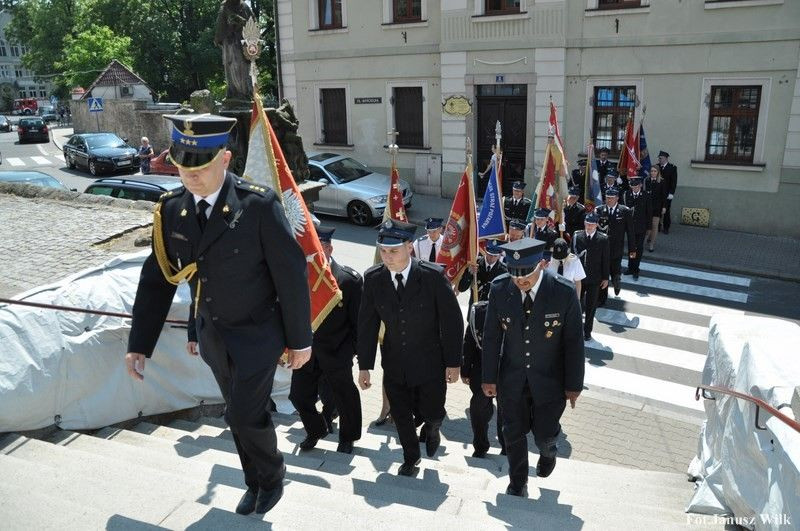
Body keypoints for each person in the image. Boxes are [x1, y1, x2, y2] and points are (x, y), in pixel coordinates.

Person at [125, 114, 312, 516]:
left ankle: (273, 473)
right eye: (182, 166)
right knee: (241, 416)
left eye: (201, 167)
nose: (190, 176)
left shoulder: (257, 205)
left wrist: (300, 340)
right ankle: (255, 481)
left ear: (225, 158)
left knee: (242, 413)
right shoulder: (171, 210)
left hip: (259, 334)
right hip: (214, 336)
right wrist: (139, 344)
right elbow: (157, 281)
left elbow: (292, 275)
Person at [357, 219, 464, 476]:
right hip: (394, 362)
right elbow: (367, 325)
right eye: (383, 250)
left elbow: (452, 322)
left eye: (393, 251)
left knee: (433, 411)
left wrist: (453, 362)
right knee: (401, 415)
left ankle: (433, 427)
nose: (387, 257)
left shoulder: (432, 277)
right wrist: (364, 367)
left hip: (430, 362)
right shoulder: (373, 279)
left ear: (409, 247)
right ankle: (410, 457)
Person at [482, 237, 585, 497]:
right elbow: (492, 336)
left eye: (526, 273)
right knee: (512, 433)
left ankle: (549, 449)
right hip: (512, 378)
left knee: (543, 435)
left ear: (541, 264)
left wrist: (574, 385)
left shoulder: (562, 292)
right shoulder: (499, 288)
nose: (520, 280)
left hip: (550, 380)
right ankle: (518, 483)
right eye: (514, 274)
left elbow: (574, 341)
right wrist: (488, 378)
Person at [289, 226, 363, 455]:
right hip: (307, 351)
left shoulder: (349, 280)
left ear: (328, 248)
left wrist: (351, 351)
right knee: (299, 396)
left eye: (314, 248)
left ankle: (348, 437)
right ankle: (315, 429)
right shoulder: (297, 278)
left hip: (336, 350)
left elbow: (358, 323)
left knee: (344, 396)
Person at [461, 300, 505, 458]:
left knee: (507, 411)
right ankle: (480, 446)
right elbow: (469, 341)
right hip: (482, 368)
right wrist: (465, 369)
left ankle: (507, 448)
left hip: (510, 369)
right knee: (478, 409)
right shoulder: (478, 311)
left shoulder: (522, 308)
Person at [572, 213, 610, 341]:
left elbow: (605, 260)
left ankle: (587, 331)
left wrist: (606, 278)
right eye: (587, 223)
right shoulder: (577, 236)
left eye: (592, 224)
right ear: (584, 223)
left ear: (596, 225)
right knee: (577, 305)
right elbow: (572, 257)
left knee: (591, 306)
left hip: (595, 278)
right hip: (579, 279)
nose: (589, 226)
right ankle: (576, 329)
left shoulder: (603, 239)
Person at [595, 188, 635, 305]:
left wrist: (632, 249)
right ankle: (602, 299)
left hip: (616, 248)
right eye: (607, 198)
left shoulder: (624, 211)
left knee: (615, 269)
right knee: (603, 273)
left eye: (612, 198)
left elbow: (630, 232)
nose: (609, 200)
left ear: (617, 198)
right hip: (602, 249)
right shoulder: (599, 210)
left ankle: (617, 280)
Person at [458, 239, 508, 306]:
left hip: (492, 309)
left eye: (495, 256)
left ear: (500, 255)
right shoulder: (475, 264)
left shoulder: (504, 271)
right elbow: (461, 288)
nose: (492, 258)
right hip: (475, 306)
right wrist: (469, 274)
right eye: (490, 255)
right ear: (485, 250)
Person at [622, 177, 651, 280]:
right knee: (631, 248)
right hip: (630, 227)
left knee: (639, 248)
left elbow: (649, 213)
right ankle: (630, 267)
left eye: (636, 186)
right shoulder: (627, 195)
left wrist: (649, 228)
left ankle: (636, 268)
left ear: (640, 186)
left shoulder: (646, 195)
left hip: (641, 227)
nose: (634, 188)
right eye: (632, 186)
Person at [645, 165, 667, 252]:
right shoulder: (646, 181)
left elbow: (664, 196)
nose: (653, 173)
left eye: (655, 171)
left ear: (658, 172)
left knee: (654, 226)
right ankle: (649, 237)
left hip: (657, 207)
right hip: (647, 207)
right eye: (651, 171)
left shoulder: (662, 181)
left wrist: (664, 207)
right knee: (647, 228)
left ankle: (651, 244)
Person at [658, 150, 677, 234]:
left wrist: (671, 193)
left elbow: (674, 182)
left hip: (667, 193)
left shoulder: (672, 168)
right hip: (658, 193)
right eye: (659, 158)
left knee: (666, 210)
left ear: (666, 158)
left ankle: (666, 227)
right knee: (657, 210)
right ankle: (657, 226)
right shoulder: (657, 167)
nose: (659, 160)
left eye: (661, 158)